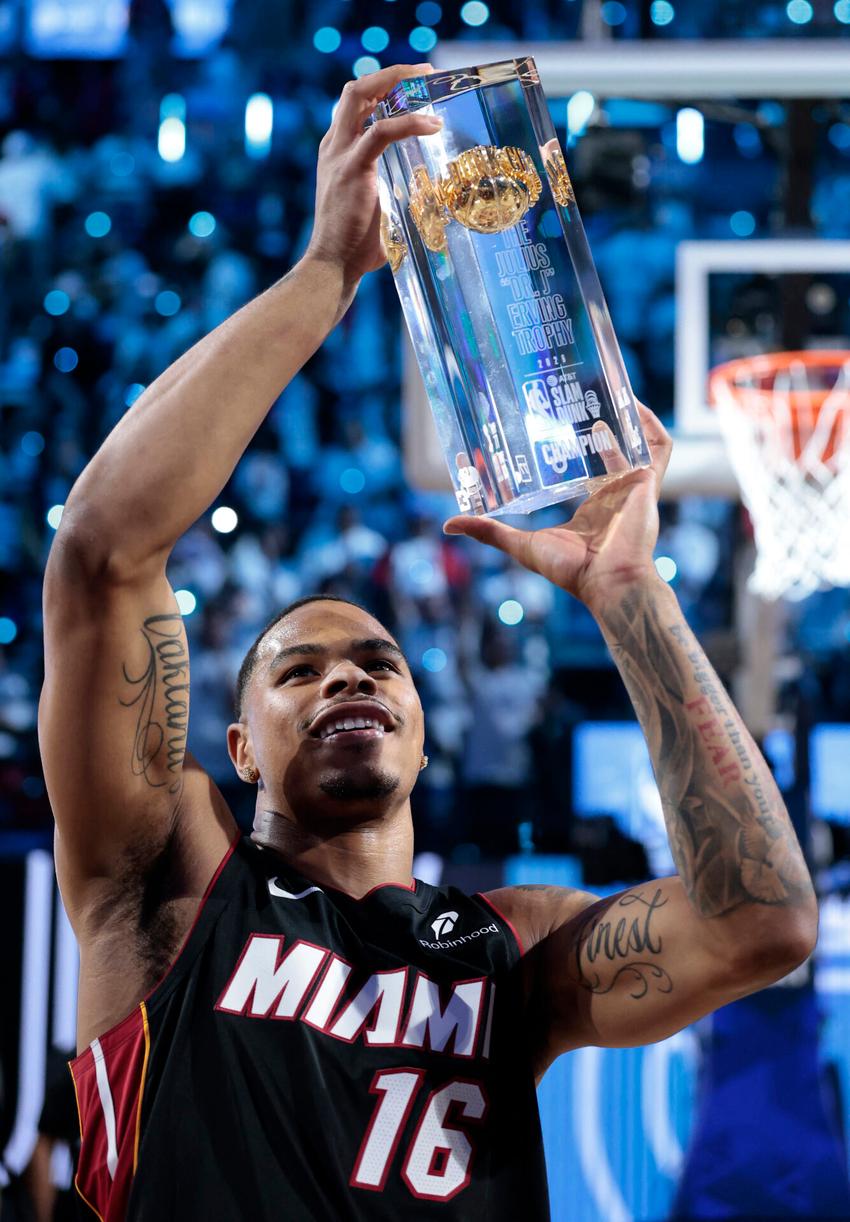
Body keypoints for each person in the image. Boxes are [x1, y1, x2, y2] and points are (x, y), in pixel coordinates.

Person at [39, 64, 818, 1221]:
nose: (349, 672)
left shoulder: (509, 946)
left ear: (418, 724)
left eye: (377, 663)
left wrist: (624, 595)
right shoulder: (173, 882)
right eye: (296, 670)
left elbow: (764, 924)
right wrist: (323, 277)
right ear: (241, 746)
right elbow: (104, 549)